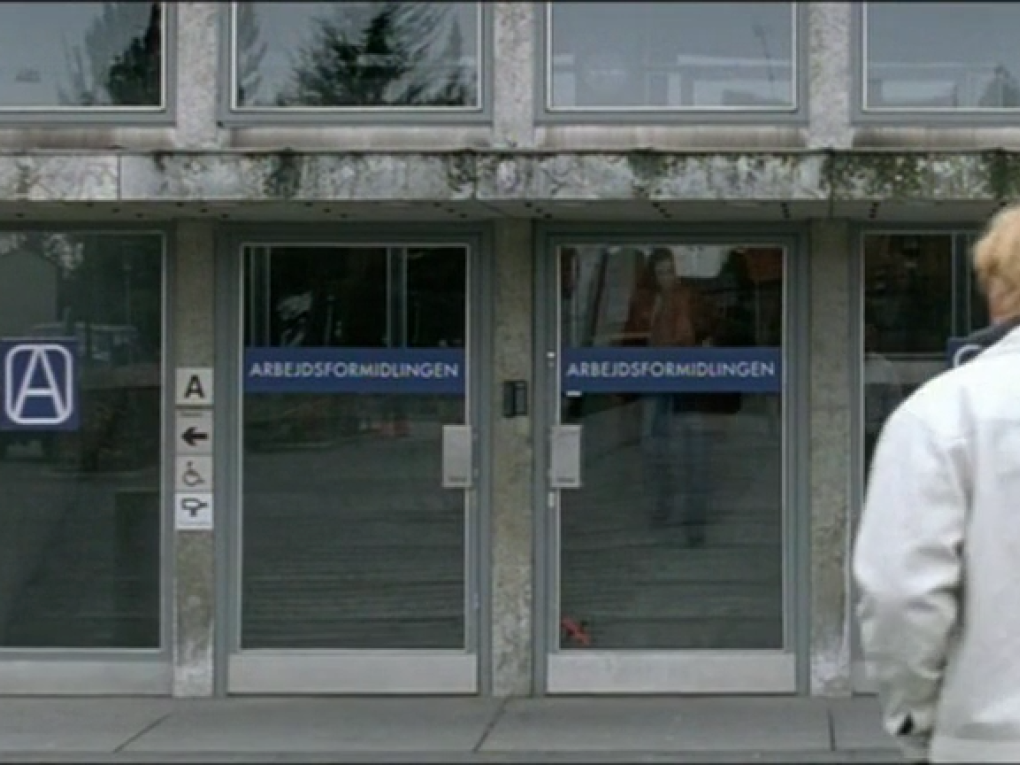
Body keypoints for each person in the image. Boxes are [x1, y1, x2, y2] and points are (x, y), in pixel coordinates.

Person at [853, 203, 1020, 763]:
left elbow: (901, 591)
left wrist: (916, 720)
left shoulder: (943, 412)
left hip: (993, 738)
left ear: (999, 287)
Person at [623, 247, 718, 543]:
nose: (666, 278)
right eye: (661, 272)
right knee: (654, 449)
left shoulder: (689, 298)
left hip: (686, 381)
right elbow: (632, 339)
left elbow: (706, 331)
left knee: (693, 451)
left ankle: (694, 520)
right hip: (655, 382)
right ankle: (662, 507)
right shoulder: (646, 302)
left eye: (670, 271)